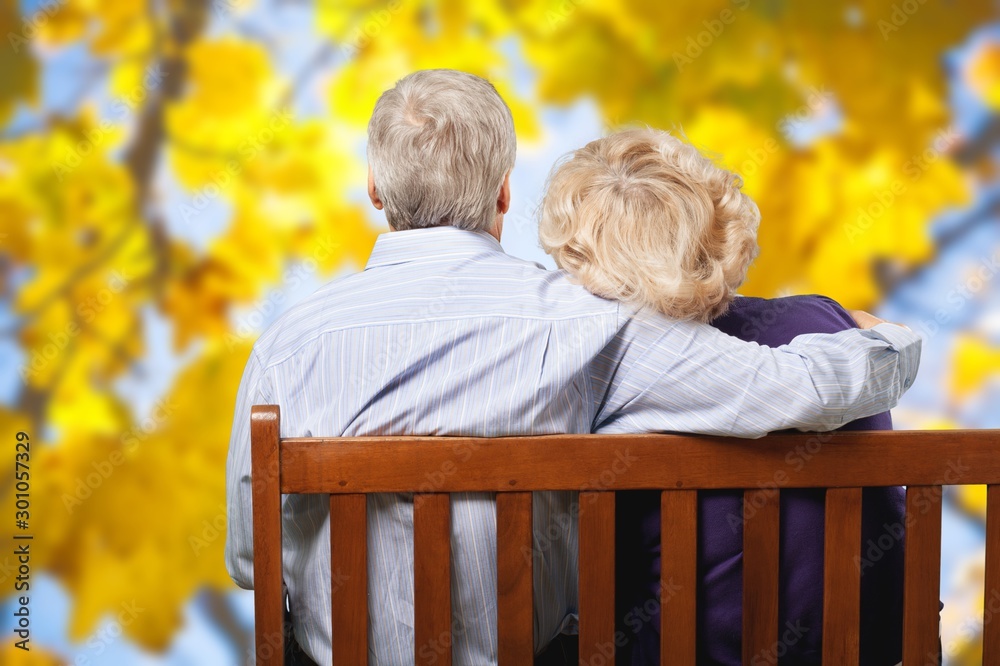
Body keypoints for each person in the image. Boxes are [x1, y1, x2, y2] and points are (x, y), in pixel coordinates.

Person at [226, 70, 921, 666]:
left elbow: (250, 562)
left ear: (374, 188)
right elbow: (793, 391)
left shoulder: (287, 343)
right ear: (504, 193)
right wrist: (884, 339)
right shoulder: (593, 325)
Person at [537, 127, 909, 664]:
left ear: (581, 255)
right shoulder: (828, 324)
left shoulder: (607, 371)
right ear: (718, 229)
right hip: (882, 651)